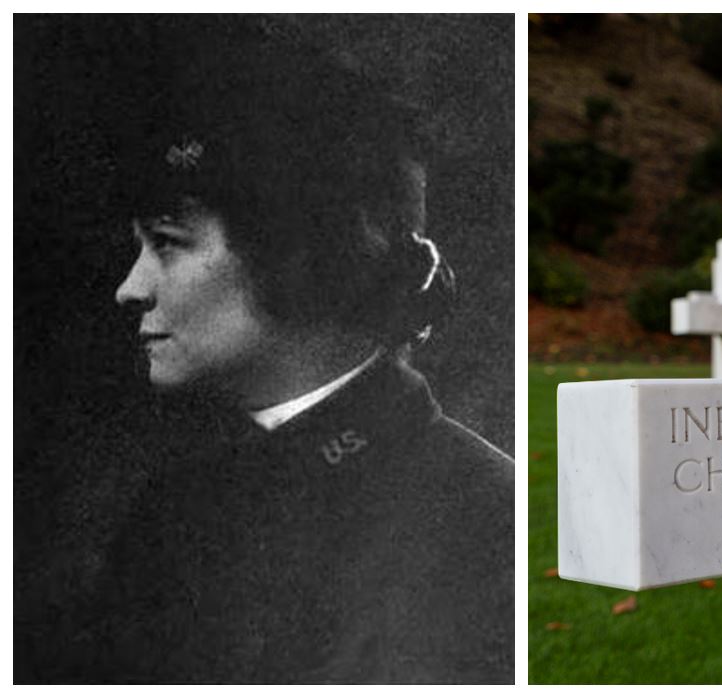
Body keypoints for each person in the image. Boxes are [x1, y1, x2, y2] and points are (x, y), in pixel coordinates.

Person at [58, 19, 514, 683]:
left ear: (299, 256)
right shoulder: (169, 516)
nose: (130, 289)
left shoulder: (482, 520)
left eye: (167, 243)